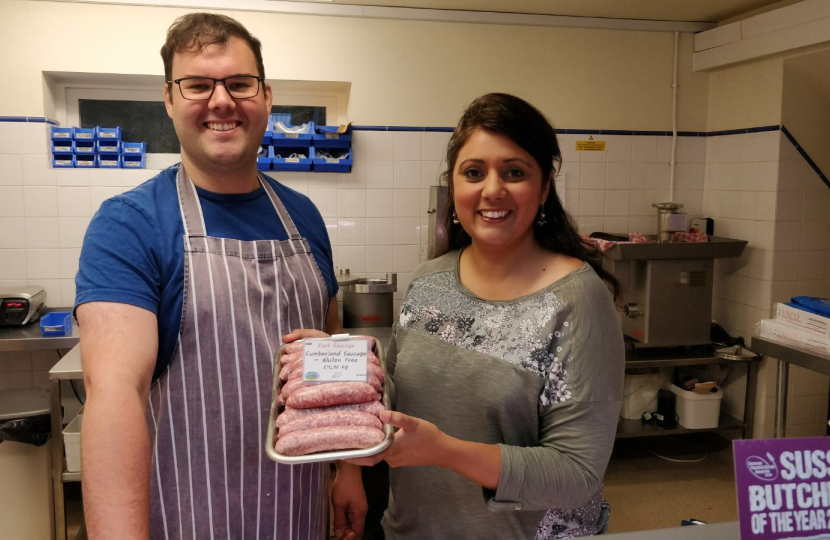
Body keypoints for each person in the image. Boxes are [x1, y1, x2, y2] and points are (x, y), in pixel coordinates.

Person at [75, 13, 366, 540]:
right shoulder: (130, 223)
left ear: (266, 95)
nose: (221, 101)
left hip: (299, 515)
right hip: (188, 514)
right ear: (169, 99)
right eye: (197, 85)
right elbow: (114, 394)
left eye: (239, 83)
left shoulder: (304, 217)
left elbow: (326, 354)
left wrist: (348, 470)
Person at [348, 93, 625, 539]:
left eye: (514, 172)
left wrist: (445, 451)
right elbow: (395, 399)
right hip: (413, 529)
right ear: (453, 184)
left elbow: (576, 475)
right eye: (474, 172)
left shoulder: (577, 300)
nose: (492, 190)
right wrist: (337, 369)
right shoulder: (429, 281)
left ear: (545, 187)